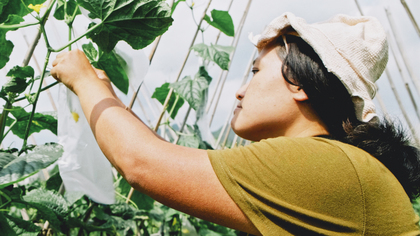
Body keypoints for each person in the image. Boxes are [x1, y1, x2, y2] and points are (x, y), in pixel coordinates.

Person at [51, 12, 420, 235]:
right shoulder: (337, 162)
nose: (240, 91)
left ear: (300, 82)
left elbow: (143, 163)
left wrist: (83, 80)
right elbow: (157, 154)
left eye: (256, 71)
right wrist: (106, 94)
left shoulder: (323, 166)